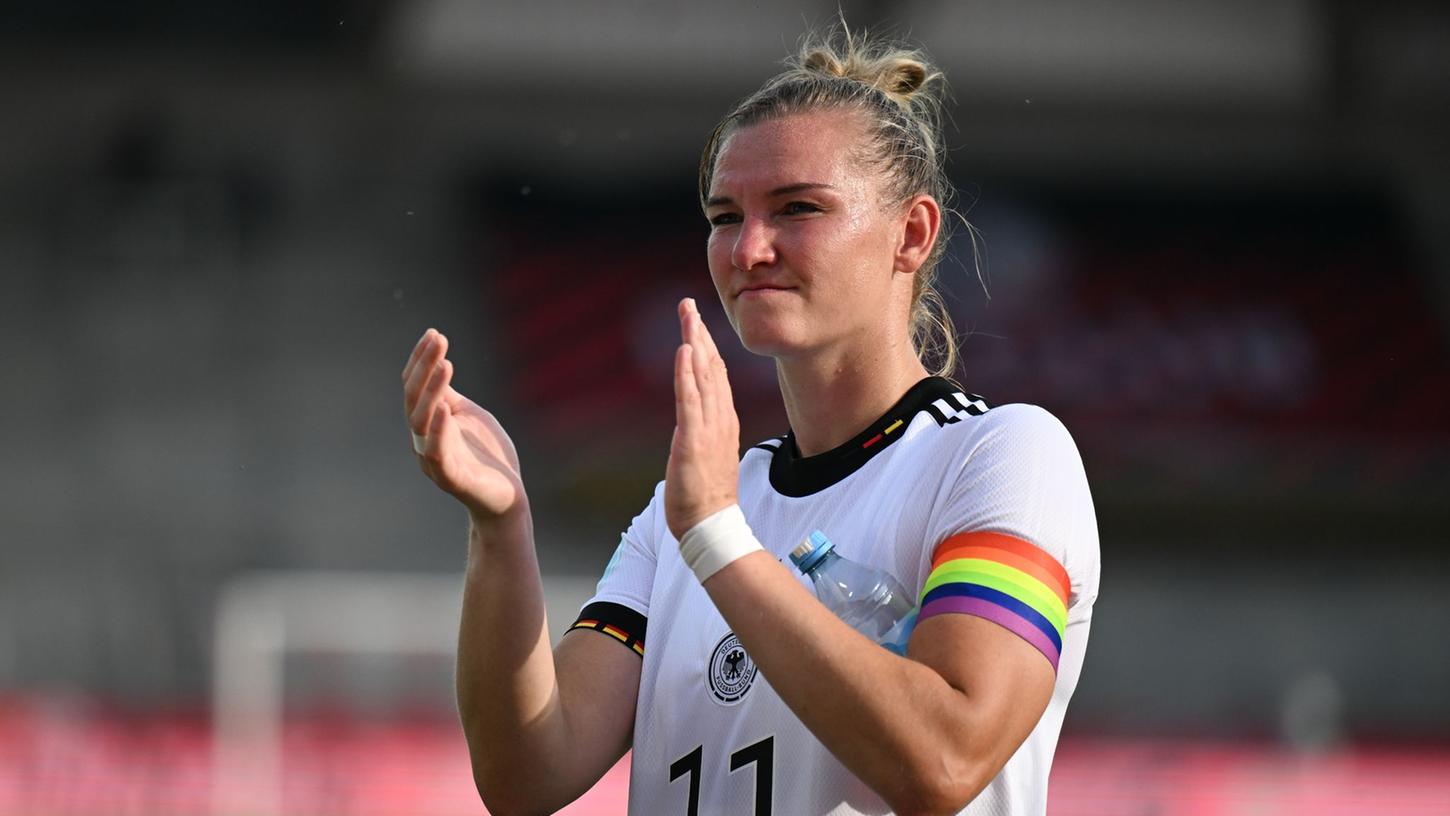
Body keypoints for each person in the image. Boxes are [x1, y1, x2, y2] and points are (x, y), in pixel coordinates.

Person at [402, 26, 1099, 816]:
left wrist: (716, 536)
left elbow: (943, 759)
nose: (749, 249)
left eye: (798, 208)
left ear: (912, 233)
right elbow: (526, 776)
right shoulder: (693, 508)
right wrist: (501, 530)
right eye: (725, 216)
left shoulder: (1002, 455)